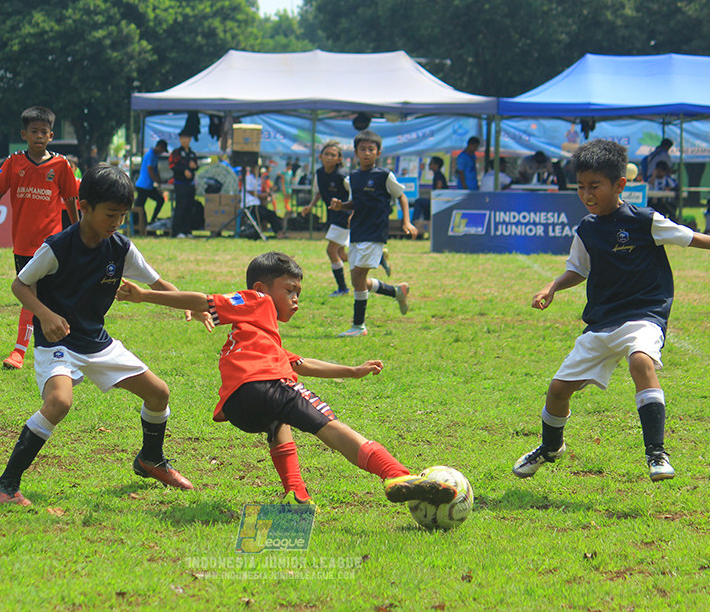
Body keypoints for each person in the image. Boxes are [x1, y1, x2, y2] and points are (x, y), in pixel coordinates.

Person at [116, 251, 458, 508]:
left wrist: (352, 371)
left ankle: (297, 495)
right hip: (266, 385)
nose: (296, 300)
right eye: (290, 290)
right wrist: (146, 295)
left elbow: (302, 364)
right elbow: (203, 300)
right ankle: (396, 474)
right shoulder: (258, 300)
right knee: (333, 428)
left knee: (278, 423)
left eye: (299, 293)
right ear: (261, 288)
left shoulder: (256, 337)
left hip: (238, 407)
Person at [512, 139, 710, 483]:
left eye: (595, 186)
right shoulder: (587, 229)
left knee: (641, 361)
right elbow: (578, 269)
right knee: (557, 390)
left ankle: (657, 454)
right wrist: (552, 287)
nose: (587, 194)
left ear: (619, 185)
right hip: (602, 322)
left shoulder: (644, 220)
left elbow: (687, 237)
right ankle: (551, 447)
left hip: (644, 314)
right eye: (581, 186)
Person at [0, 166, 208, 506]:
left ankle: (150, 460)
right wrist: (45, 314)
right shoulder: (57, 247)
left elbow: (157, 283)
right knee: (59, 402)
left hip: (97, 342)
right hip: (58, 343)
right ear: (85, 207)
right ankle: (5, 484)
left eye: (122, 215)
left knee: (159, 393)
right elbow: (20, 285)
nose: (116, 222)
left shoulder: (120, 248)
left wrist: (192, 305)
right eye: (110, 214)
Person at [0, 106, 80, 370]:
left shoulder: (60, 165)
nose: (39, 136)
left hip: (52, 243)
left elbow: (70, 199)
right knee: (32, 295)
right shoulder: (14, 162)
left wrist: (78, 230)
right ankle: (38, 349)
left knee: (47, 294)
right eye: (34, 131)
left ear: (51, 135)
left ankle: (22, 351)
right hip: (23, 244)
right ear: (24, 134)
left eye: (44, 131)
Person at [330, 130, 416, 337]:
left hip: (375, 231)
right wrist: (342, 206)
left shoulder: (384, 176)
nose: (367, 153)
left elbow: (402, 196)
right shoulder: (353, 177)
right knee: (358, 281)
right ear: (356, 153)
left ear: (378, 153)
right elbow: (355, 202)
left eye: (371, 149)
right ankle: (396, 291)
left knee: (358, 276)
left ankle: (359, 326)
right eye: (363, 149)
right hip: (357, 231)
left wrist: (406, 221)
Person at [301, 141, 351, 296]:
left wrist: (352, 213)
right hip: (333, 216)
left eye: (333, 155)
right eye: (326, 154)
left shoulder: (342, 176)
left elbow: (355, 194)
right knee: (342, 255)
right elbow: (319, 192)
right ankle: (379, 256)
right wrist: (311, 205)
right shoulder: (319, 173)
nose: (329, 157)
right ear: (320, 156)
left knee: (331, 250)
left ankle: (343, 288)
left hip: (344, 216)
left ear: (339, 159)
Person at [243, 162, 286, 238]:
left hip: (258, 204)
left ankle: (279, 232)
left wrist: (266, 194)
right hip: (250, 204)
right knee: (267, 214)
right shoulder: (248, 178)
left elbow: (262, 191)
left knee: (271, 214)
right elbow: (250, 191)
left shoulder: (259, 179)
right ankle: (278, 233)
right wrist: (260, 196)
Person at [169, 131, 199, 238]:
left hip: (190, 184)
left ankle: (187, 230)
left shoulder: (192, 153)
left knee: (189, 207)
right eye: (182, 138)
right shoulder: (176, 153)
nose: (184, 140)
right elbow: (172, 165)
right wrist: (184, 170)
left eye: (186, 138)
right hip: (180, 183)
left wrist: (194, 167)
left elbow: (196, 166)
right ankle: (177, 231)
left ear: (190, 139)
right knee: (180, 206)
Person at [135, 139, 168, 225]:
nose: (162, 152)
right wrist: (157, 181)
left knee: (160, 200)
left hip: (148, 186)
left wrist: (160, 180)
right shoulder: (150, 155)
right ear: (159, 147)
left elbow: (156, 170)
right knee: (139, 207)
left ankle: (152, 220)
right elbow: (150, 170)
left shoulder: (155, 156)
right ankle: (138, 224)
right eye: (162, 150)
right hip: (143, 186)